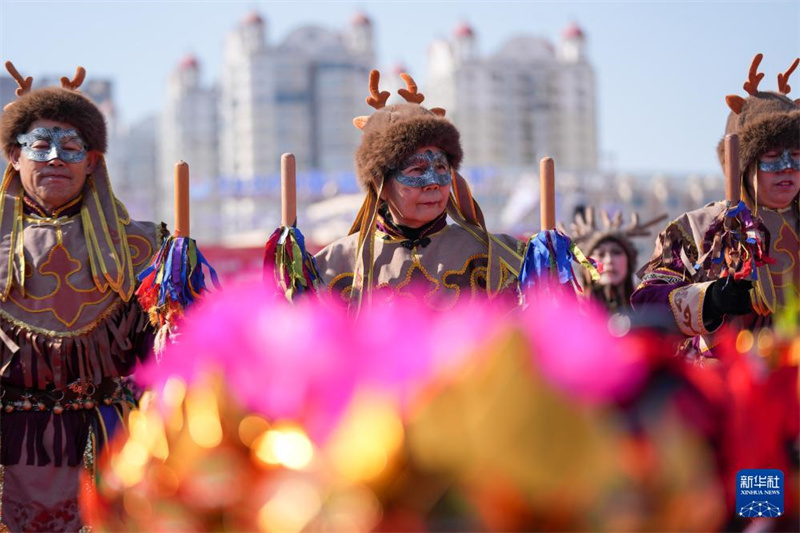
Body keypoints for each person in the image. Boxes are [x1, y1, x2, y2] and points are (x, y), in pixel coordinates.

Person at [0, 63, 165, 532]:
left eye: (71, 148)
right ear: (14, 156)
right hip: (11, 453)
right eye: (40, 145)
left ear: (92, 162)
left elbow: (171, 361)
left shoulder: (145, 247)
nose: (55, 158)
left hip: (111, 447)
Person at [632, 54, 799, 358]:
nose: (788, 168)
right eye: (773, 156)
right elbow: (645, 303)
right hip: (726, 388)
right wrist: (710, 300)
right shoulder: (698, 228)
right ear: (744, 164)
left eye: (797, 155)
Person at [314, 71, 525, 310]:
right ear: (379, 185)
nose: (433, 182)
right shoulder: (333, 264)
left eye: (442, 167)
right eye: (416, 170)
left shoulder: (500, 257)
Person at [566, 207, 665, 314]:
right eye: (601, 254)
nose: (609, 260)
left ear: (629, 263)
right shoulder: (569, 312)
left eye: (616, 252)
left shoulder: (648, 307)